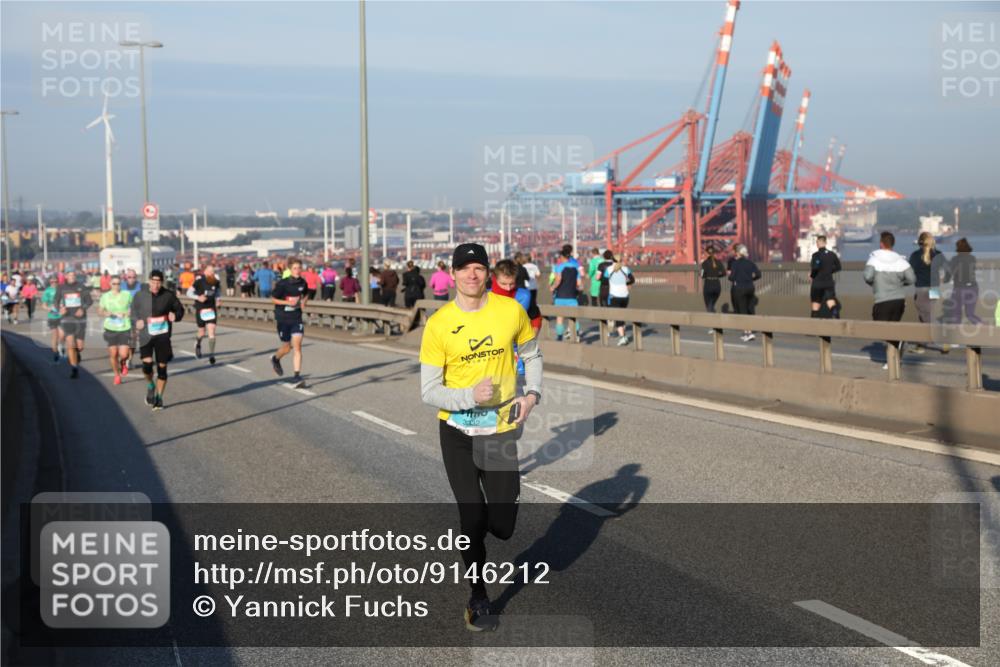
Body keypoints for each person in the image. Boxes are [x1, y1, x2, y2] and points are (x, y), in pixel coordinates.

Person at [419, 242, 542, 632]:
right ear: (452, 274)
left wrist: (532, 394)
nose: (472, 274)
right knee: (471, 515)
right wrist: (468, 397)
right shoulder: (439, 323)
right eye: (464, 268)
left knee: (503, 525)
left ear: (488, 273)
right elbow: (428, 390)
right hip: (456, 431)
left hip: (500, 431)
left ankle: (477, 531)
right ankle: (478, 596)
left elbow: (533, 355)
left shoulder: (510, 311)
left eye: (479, 267)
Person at [131, 270, 185, 410]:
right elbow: (133, 314)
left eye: (158, 282)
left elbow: (180, 310)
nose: (156, 285)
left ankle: (159, 398)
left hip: (163, 336)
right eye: (153, 282)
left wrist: (176, 315)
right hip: (146, 336)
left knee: (162, 367)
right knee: (147, 365)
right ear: (149, 281)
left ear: (162, 282)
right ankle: (150, 385)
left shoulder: (169, 296)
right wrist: (136, 322)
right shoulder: (140, 296)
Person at [864, 231, 916, 369]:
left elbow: (867, 277)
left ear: (881, 243)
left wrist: (876, 283)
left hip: (882, 299)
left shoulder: (874, 259)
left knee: (880, 327)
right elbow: (912, 279)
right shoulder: (901, 260)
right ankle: (892, 360)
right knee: (893, 327)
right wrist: (900, 284)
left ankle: (898, 343)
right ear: (893, 244)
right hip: (899, 300)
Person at [270, 257, 309, 388]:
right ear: (290, 269)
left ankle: (297, 376)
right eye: (295, 268)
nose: (297, 271)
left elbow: (307, 293)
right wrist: (287, 302)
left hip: (296, 317)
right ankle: (275, 359)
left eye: (299, 268)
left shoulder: (303, 283)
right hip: (283, 318)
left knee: (297, 346)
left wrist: (303, 302)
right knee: (287, 348)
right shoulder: (283, 284)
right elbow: (273, 299)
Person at [908, 232, 945, 353]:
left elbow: (909, 273)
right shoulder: (938, 254)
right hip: (934, 289)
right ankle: (922, 343)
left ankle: (938, 341)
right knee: (929, 313)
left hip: (921, 288)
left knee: (925, 316)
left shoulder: (914, 256)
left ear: (919, 243)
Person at [55, 268, 93, 379]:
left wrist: (83, 308)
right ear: (65, 276)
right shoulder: (61, 288)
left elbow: (89, 301)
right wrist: (59, 309)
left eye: (73, 274)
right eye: (69, 274)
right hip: (67, 319)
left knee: (79, 347)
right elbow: (55, 301)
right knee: (70, 344)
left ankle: (77, 354)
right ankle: (74, 368)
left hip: (80, 320)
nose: (72, 276)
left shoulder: (82, 287)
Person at [98, 275, 133, 385]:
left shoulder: (127, 295)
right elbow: (99, 311)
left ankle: (123, 363)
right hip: (110, 327)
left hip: (124, 327)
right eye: (114, 284)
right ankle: (117, 375)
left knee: (124, 354)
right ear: (110, 284)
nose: (116, 286)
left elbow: (134, 307)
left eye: (118, 284)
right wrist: (105, 313)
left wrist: (129, 312)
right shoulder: (105, 296)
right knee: (113, 353)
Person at [944, 237, 983, 326]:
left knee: (956, 313)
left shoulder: (955, 259)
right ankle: (984, 329)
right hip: (973, 288)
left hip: (960, 289)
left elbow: (948, 276)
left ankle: (957, 336)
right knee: (970, 314)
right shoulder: (972, 258)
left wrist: (944, 279)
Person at [189, 263, 222, 364]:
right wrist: (198, 298)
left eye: (213, 272)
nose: (212, 273)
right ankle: (198, 344)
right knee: (202, 333)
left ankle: (212, 355)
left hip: (211, 309)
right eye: (210, 271)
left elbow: (217, 293)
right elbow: (188, 293)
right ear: (205, 272)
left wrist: (218, 300)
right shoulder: (199, 282)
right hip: (201, 309)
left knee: (211, 331)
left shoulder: (216, 282)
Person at [728, 245, 761, 341]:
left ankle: (747, 333)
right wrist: (751, 279)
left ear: (738, 253)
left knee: (742, 311)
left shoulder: (735, 263)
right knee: (749, 309)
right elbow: (759, 274)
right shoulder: (750, 263)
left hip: (740, 288)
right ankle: (749, 331)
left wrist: (731, 276)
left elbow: (731, 277)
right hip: (750, 288)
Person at [550, 244, 583, 341]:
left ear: (562, 257)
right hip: (572, 296)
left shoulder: (559, 267)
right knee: (574, 318)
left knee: (560, 318)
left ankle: (559, 337)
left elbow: (558, 280)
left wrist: (552, 287)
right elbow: (579, 283)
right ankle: (576, 335)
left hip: (560, 296)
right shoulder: (575, 267)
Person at [604, 254, 635, 346]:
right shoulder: (625, 269)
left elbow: (604, 281)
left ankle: (622, 338)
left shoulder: (609, 269)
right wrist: (625, 283)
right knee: (622, 315)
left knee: (617, 317)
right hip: (625, 296)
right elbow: (632, 280)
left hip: (614, 296)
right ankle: (623, 335)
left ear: (612, 260)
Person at [809, 235, 842, 319]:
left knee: (815, 305)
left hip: (817, 283)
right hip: (828, 282)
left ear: (818, 243)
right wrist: (829, 271)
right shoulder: (832, 254)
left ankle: (814, 326)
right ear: (825, 242)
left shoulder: (816, 255)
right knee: (831, 301)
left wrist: (812, 276)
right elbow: (838, 267)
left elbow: (815, 267)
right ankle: (835, 315)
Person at [40, 275, 64, 362]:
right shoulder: (47, 291)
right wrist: (50, 308)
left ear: (58, 282)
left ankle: (60, 345)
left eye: (55, 282)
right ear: (49, 282)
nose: (54, 283)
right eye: (52, 282)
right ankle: (55, 353)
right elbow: (43, 305)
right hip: (52, 316)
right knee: (55, 335)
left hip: (62, 316)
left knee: (62, 335)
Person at [700, 246, 726, 317]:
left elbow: (702, 275)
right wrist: (717, 276)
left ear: (707, 253)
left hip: (708, 285)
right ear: (714, 253)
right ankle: (712, 311)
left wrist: (707, 276)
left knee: (708, 304)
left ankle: (711, 317)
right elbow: (724, 273)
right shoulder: (719, 263)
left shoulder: (704, 263)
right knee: (712, 303)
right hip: (717, 285)